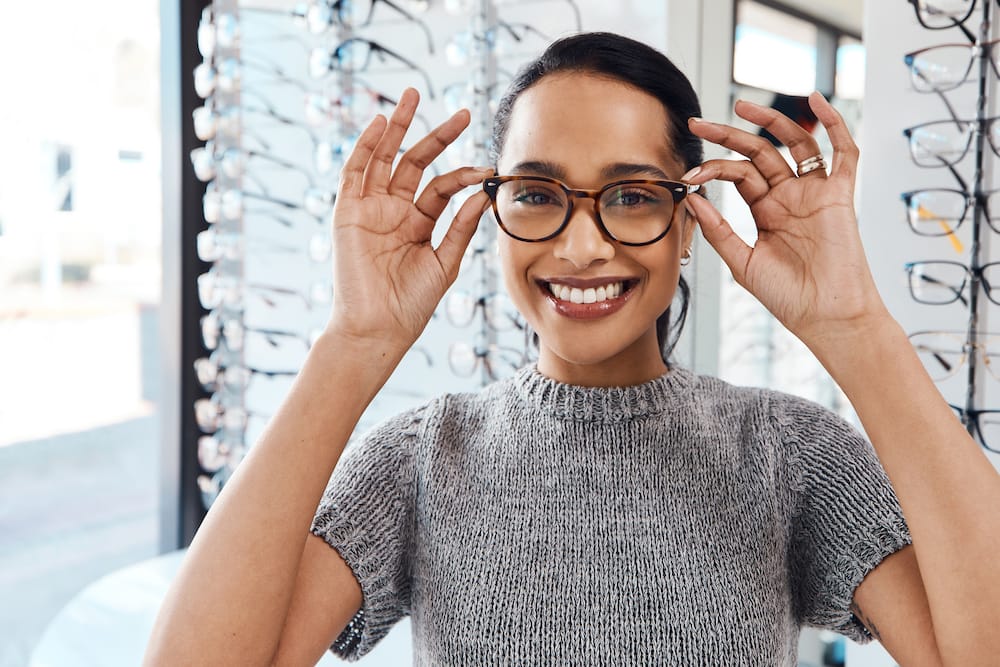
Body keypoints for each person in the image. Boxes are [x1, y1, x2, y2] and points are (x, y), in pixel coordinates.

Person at [144, 32, 1000, 665]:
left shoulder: (788, 451)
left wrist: (858, 332)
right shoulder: (423, 456)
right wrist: (352, 345)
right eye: (537, 192)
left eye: (630, 195)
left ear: (690, 220)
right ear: (493, 212)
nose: (583, 246)